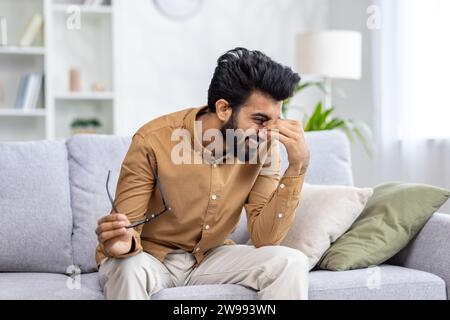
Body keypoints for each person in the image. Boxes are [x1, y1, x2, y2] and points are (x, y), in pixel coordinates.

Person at [95, 47, 310, 300]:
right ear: (223, 109)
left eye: (275, 120)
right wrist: (122, 245)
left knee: (290, 262)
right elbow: (126, 230)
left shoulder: (263, 147)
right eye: (260, 119)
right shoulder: (152, 140)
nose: (268, 132)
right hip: (151, 258)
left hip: (211, 257)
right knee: (127, 268)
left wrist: (297, 167)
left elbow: (265, 238)